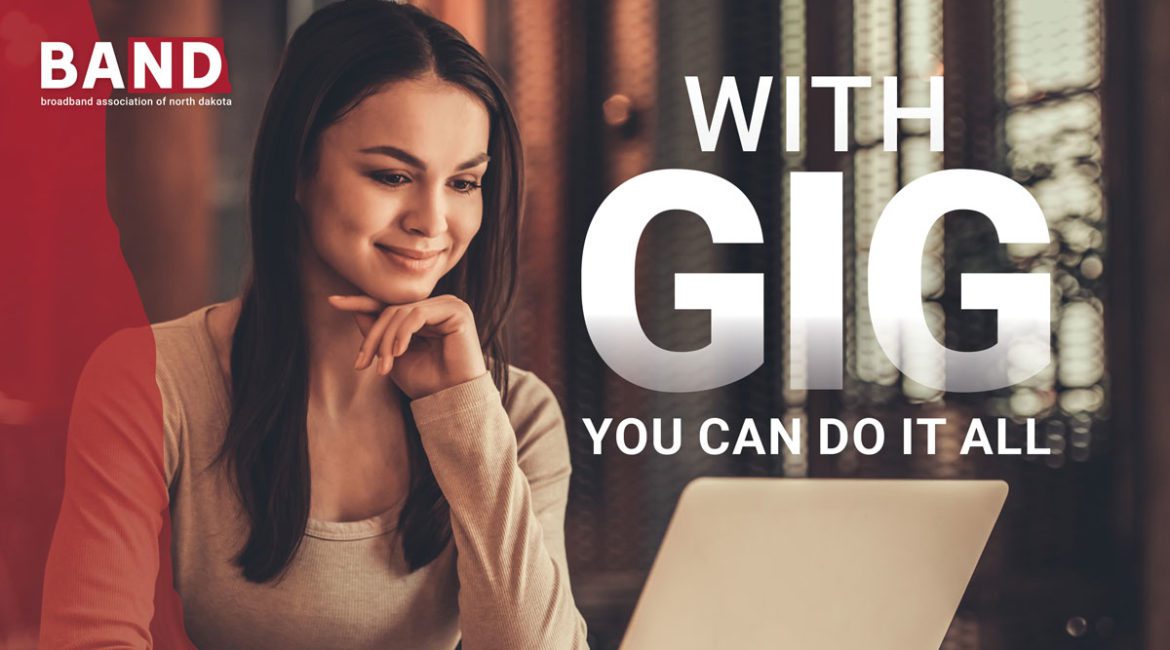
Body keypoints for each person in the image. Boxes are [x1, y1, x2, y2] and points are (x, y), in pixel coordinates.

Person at [39, 2, 588, 648]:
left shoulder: (518, 414)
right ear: (299, 167)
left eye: (464, 182)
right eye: (392, 175)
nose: (433, 221)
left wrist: (462, 412)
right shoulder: (151, 383)